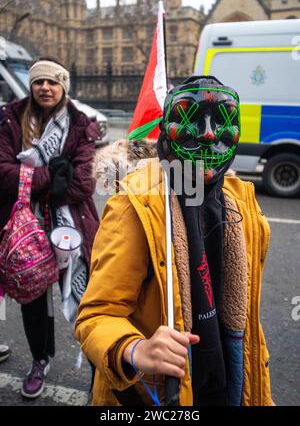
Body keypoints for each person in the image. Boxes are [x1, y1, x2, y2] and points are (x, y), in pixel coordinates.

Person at [75, 76, 273, 406]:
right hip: (155, 396)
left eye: (223, 118)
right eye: (191, 116)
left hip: (227, 387)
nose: (209, 133)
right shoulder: (136, 204)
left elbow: (249, 318)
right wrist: (135, 349)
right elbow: (95, 316)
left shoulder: (243, 206)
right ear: (166, 126)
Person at [0, 58, 99, 399]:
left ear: (63, 87)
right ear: (30, 85)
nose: (45, 87)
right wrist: (50, 178)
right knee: (33, 300)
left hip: (70, 225)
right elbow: (2, 173)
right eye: (39, 81)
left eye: (52, 82)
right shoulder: (11, 117)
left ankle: (100, 367)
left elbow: (83, 182)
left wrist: (29, 179)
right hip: (24, 226)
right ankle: (40, 360)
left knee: (86, 298)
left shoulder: (80, 122)